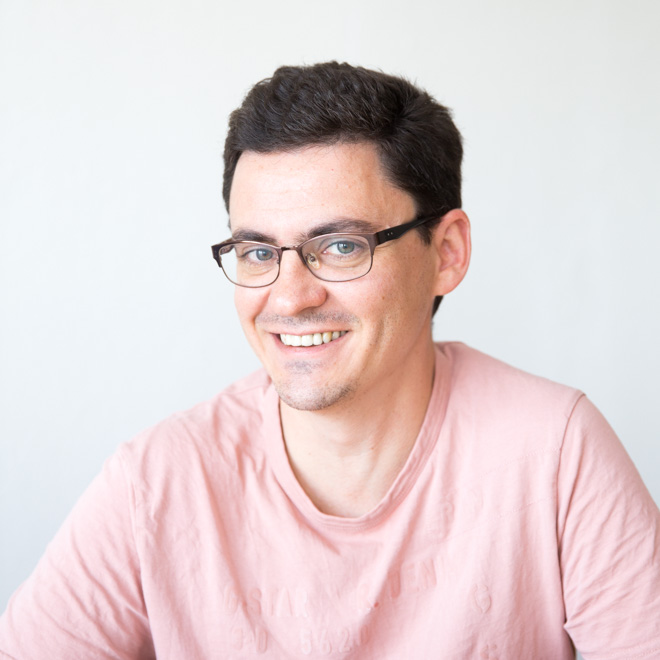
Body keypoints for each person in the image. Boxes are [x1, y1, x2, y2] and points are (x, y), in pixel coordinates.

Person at [1, 61, 658, 659]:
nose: (290, 297)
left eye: (341, 246)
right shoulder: (157, 483)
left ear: (447, 253)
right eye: (258, 252)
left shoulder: (554, 452)